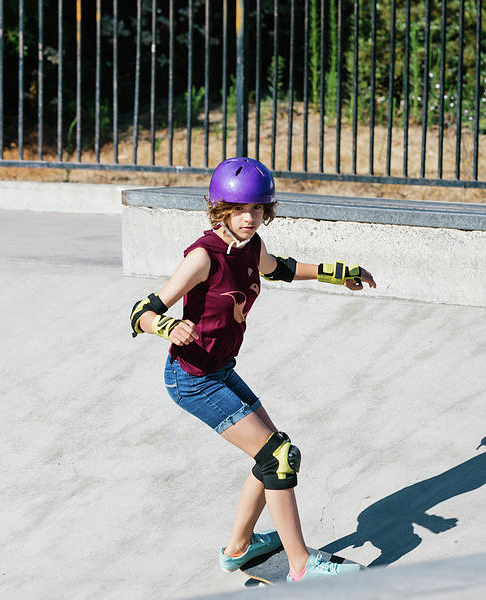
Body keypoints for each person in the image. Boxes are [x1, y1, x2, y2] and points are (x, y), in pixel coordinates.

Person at [130, 157, 376, 582]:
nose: (249, 218)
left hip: (221, 370)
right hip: (192, 379)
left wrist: (336, 273)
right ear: (220, 208)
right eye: (240, 210)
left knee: (275, 453)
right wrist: (168, 326)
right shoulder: (203, 257)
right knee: (278, 457)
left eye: (258, 209)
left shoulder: (251, 247)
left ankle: (238, 550)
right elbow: (142, 312)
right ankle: (302, 566)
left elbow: (280, 269)